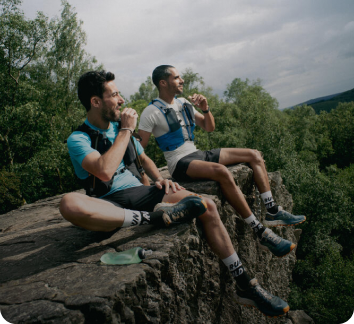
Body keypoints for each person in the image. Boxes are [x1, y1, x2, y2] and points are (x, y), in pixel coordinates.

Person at [60, 70, 292, 317]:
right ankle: (155, 218)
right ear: (95, 102)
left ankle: (246, 283)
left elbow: (144, 158)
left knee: (205, 205)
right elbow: (104, 172)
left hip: (139, 193)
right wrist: (126, 130)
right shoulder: (78, 139)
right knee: (68, 203)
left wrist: (161, 180)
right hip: (108, 205)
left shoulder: (119, 128)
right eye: (114, 94)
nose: (121, 100)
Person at [138, 65, 306, 253]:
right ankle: (259, 230)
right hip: (179, 162)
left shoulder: (183, 103)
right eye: (177, 77)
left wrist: (206, 109)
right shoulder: (150, 112)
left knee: (254, 155)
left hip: (198, 154)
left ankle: (272, 211)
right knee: (221, 172)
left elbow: (209, 127)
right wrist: (146, 178)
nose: (182, 80)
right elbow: (139, 150)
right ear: (163, 82)